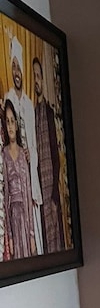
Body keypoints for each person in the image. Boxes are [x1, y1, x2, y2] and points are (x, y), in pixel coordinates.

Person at [5, 35, 42, 252]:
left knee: (35, 233)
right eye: (14, 67)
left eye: (19, 68)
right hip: (16, 184)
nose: (17, 72)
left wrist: (31, 156)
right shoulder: (8, 100)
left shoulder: (29, 104)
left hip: (31, 177)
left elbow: (34, 143)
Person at [32, 55, 63, 252]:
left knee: (55, 238)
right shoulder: (31, 113)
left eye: (38, 76)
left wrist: (54, 197)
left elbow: (55, 157)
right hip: (38, 193)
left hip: (51, 193)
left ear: (43, 79)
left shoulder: (49, 113)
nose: (36, 80)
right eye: (33, 76)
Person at [2, 97, 36, 259]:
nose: (10, 126)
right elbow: (5, 195)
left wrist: (31, 235)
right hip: (13, 217)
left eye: (12, 121)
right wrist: (9, 236)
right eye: (7, 122)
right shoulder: (4, 155)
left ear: (16, 125)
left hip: (25, 218)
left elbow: (28, 194)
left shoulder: (23, 154)